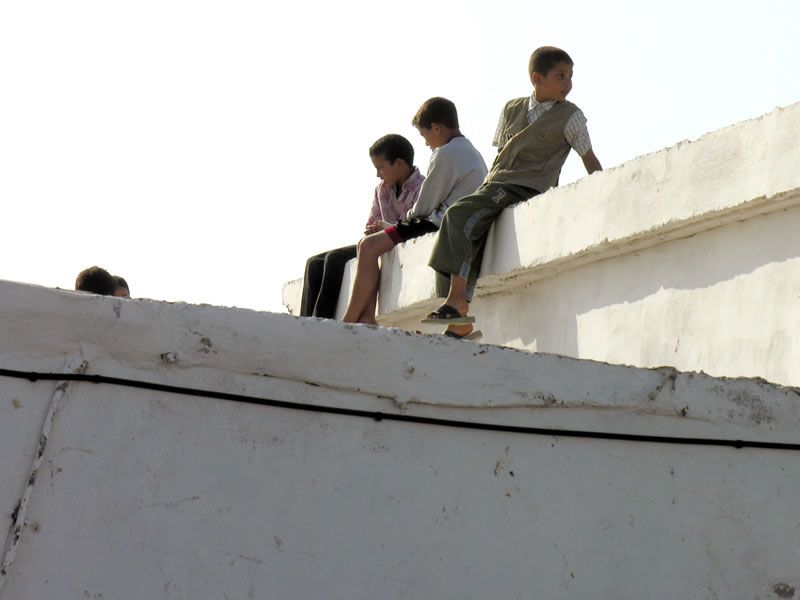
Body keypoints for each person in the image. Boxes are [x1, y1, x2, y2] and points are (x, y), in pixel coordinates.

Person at [423, 46, 603, 339]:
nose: (568, 83)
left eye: (571, 76)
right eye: (560, 76)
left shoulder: (571, 117)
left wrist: (602, 189)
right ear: (537, 78)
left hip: (527, 187)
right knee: (462, 227)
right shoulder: (511, 109)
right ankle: (459, 322)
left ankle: (457, 303)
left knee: (457, 215)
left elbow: (589, 158)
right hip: (496, 185)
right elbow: (500, 156)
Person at [342, 97, 487, 328]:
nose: (426, 143)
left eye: (424, 135)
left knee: (368, 246)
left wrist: (397, 225)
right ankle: (366, 316)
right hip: (454, 221)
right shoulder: (471, 151)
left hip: (437, 223)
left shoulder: (446, 153)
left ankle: (350, 320)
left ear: (436, 128)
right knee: (368, 245)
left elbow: (425, 205)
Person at [300, 134, 424, 319]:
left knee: (334, 259)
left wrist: (384, 228)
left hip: (392, 245)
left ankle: (322, 321)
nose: (378, 174)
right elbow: (372, 222)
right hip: (375, 243)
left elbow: (413, 226)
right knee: (314, 263)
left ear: (399, 163)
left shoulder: (422, 188)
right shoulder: (382, 190)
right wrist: (373, 229)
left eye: (381, 168)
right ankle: (306, 322)